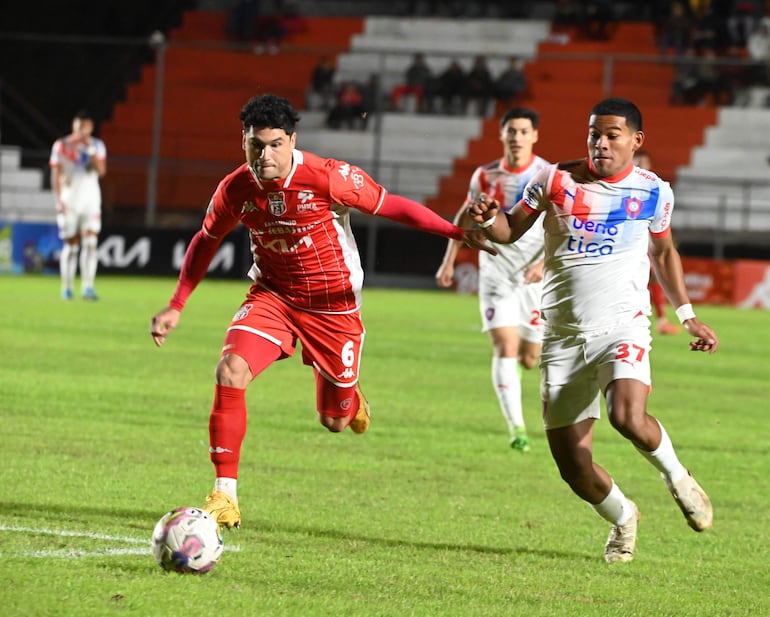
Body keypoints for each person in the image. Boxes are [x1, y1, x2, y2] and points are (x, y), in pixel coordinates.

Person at [149, 94, 492, 530]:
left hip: (334, 308)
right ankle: (225, 496)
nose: (265, 155)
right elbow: (206, 239)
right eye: (256, 145)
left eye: (275, 144)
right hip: (273, 296)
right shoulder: (236, 189)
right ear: (244, 143)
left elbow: (393, 205)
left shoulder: (328, 178)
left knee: (334, 420)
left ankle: (351, 399)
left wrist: (458, 233)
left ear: (292, 140)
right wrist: (177, 304)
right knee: (230, 370)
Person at [468, 97, 718, 563]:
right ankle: (624, 517)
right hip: (561, 335)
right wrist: (487, 217)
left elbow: (663, 253)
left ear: (636, 141)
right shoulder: (554, 179)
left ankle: (678, 478)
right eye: (593, 135)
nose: (600, 143)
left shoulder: (653, 191)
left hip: (622, 325)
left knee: (627, 415)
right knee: (573, 467)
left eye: (611, 135)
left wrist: (687, 315)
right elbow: (508, 231)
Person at [436, 108, 549, 452]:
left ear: (534, 136)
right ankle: (517, 429)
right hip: (496, 271)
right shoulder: (485, 175)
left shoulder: (546, 175)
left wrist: (544, 263)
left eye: (523, 131)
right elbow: (466, 213)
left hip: (533, 275)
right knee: (506, 348)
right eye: (511, 131)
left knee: (530, 357)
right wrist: (449, 260)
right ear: (501, 135)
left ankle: (525, 397)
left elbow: (561, 224)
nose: (516, 137)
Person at [49, 110, 107, 301]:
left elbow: (101, 171)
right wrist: (58, 201)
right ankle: (66, 288)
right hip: (70, 201)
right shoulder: (62, 145)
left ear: (91, 128)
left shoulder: (97, 146)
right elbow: (55, 175)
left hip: (91, 201)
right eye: (79, 126)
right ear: (74, 126)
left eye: (86, 126)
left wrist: (90, 150)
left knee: (91, 243)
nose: (83, 130)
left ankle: (88, 287)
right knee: (72, 246)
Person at [633, 149, 680, 335]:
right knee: (649, 277)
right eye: (638, 161)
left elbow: (660, 218)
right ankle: (655, 319)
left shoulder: (654, 188)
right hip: (634, 241)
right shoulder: (627, 185)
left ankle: (660, 320)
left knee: (654, 276)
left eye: (643, 161)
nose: (640, 164)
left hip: (647, 240)